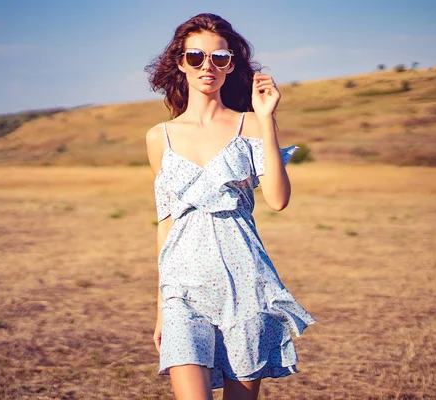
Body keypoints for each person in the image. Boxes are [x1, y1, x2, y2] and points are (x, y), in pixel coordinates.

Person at [144, 13, 316, 400]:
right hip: (183, 291)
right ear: (179, 62)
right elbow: (165, 223)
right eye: (196, 56)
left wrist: (267, 119)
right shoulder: (159, 138)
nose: (208, 66)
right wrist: (161, 306)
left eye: (219, 58)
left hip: (245, 285)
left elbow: (277, 200)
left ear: (231, 65)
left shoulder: (251, 125)